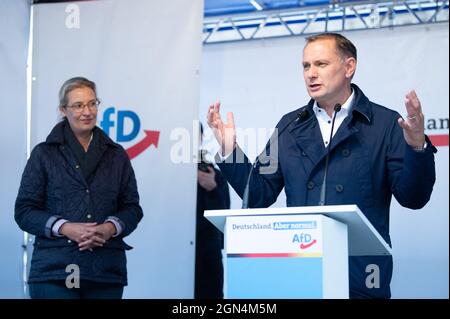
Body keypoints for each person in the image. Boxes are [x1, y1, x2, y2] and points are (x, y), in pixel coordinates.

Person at [206, 33, 436, 299]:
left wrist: (417, 147)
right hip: (301, 273)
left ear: (349, 67)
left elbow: (414, 198)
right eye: (306, 66)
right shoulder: (289, 127)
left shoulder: (385, 124)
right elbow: (258, 195)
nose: (310, 74)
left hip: (361, 276)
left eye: (321, 64)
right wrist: (229, 150)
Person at [15, 77, 143, 299]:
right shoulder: (44, 154)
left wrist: (109, 228)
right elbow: (24, 211)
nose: (87, 111)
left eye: (92, 103)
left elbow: (132, 208)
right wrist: (64, 227)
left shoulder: (116, 155)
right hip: (55, 269)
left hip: (104, 270)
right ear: (63, 110)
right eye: (78, 105)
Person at [195, 123, 230, 299]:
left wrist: (212, 189)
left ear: (201, 138)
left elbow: (224, 218)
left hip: (207, 252)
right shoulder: (164, 174)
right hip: (173, 252)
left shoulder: (212, 174)